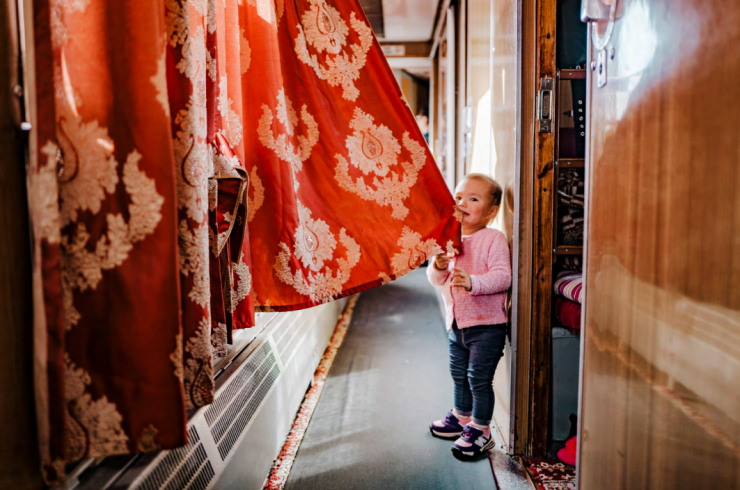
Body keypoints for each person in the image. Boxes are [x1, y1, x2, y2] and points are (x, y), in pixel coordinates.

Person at [427, 173, 512, 458]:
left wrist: (473, 282)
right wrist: (439, 266)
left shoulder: (493, 239)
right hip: (457, 324)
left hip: (487, 326)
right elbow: (436, 280)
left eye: (473, 199)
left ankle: (481, 430)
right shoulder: (448, 238)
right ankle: (461, 417)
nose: (462, 203)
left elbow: (503, 277)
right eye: (458, 197)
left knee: (478, 378)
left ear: (491, 212)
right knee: (458, 374)